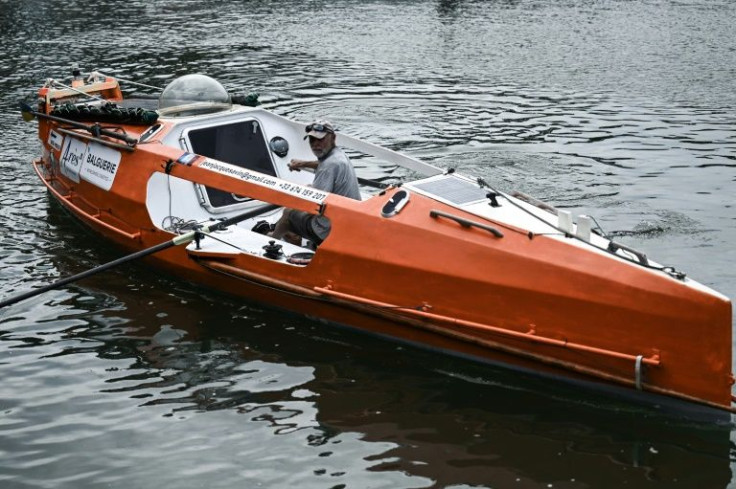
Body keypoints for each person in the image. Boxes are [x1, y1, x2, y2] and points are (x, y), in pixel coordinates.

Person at [270, 120, 360, 245]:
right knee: (305, 194)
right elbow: (323, 164)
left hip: (328, 230)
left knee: (288, 213)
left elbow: (313, 205)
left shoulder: (328, 166)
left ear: (333, 138)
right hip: (349, 220)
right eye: (312, 140)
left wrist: (294, 199)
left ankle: (271, 241)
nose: (316, 145)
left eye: (321, 140)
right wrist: (302, 164)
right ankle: (293, 235)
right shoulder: (338, 155)